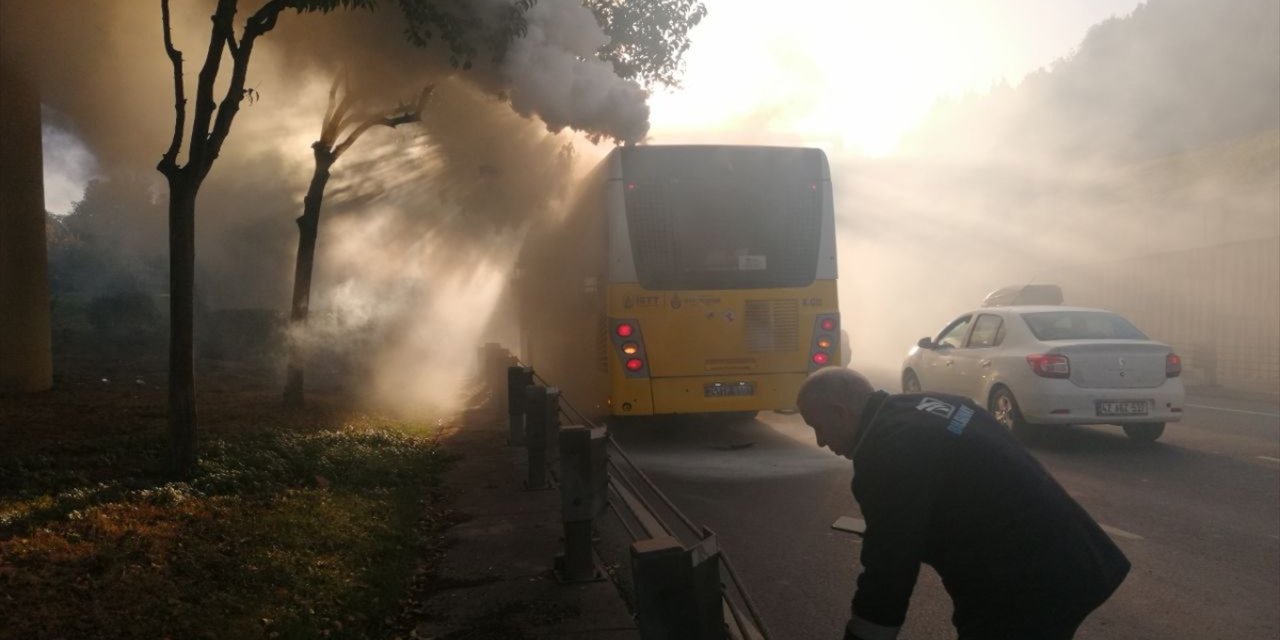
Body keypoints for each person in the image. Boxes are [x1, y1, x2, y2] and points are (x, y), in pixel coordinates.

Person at [796, 367, 1130, 640]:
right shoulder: (930, 404)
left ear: (841, 412)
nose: (821, 441)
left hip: (1027, 587)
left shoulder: (887, 454)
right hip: (1075, 557)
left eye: (819, 428)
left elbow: (889, 567)